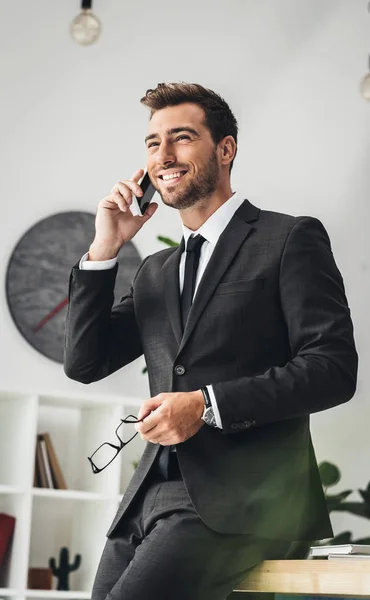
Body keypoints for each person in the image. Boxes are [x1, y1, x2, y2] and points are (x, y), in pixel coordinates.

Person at [64, 82, 358, 600]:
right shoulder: (156, 270)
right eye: (153, 143)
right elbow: (85, 362)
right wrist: (105, 247)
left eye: (182, 138)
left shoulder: (289, 238)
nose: (164, 156)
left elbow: (333, 368)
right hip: (149, 496)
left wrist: (205, 405)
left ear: (225, 148)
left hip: (246, 501)